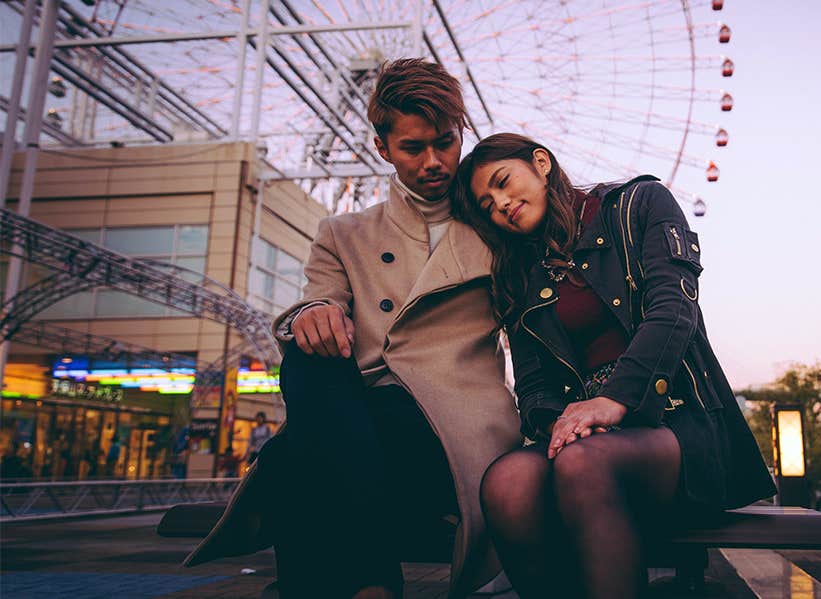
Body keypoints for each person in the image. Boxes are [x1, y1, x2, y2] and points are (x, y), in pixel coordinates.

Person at [185, 60, 522, 599]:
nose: (434, 162)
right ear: (382, 148)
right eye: (414, 148)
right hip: (364, 419)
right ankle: (370, 586)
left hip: (452, 427)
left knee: (296, 463)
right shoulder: (342, 234)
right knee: (306, 350)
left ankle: (361, 584)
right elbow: (321, 296)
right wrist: (314, 312)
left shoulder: (499, 225)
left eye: (446, 142)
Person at [450, 133, 778, 599]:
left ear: (540, 162)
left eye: (503, 183)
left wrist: (614, 400)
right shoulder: (519, 274)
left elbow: (673, 310)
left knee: (584, 466)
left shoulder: (640, 204)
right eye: (486, 205)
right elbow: (535, 384)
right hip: (584, 436)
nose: (501, 204)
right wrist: (559, 425)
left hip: (680, 422)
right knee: (508, 483)